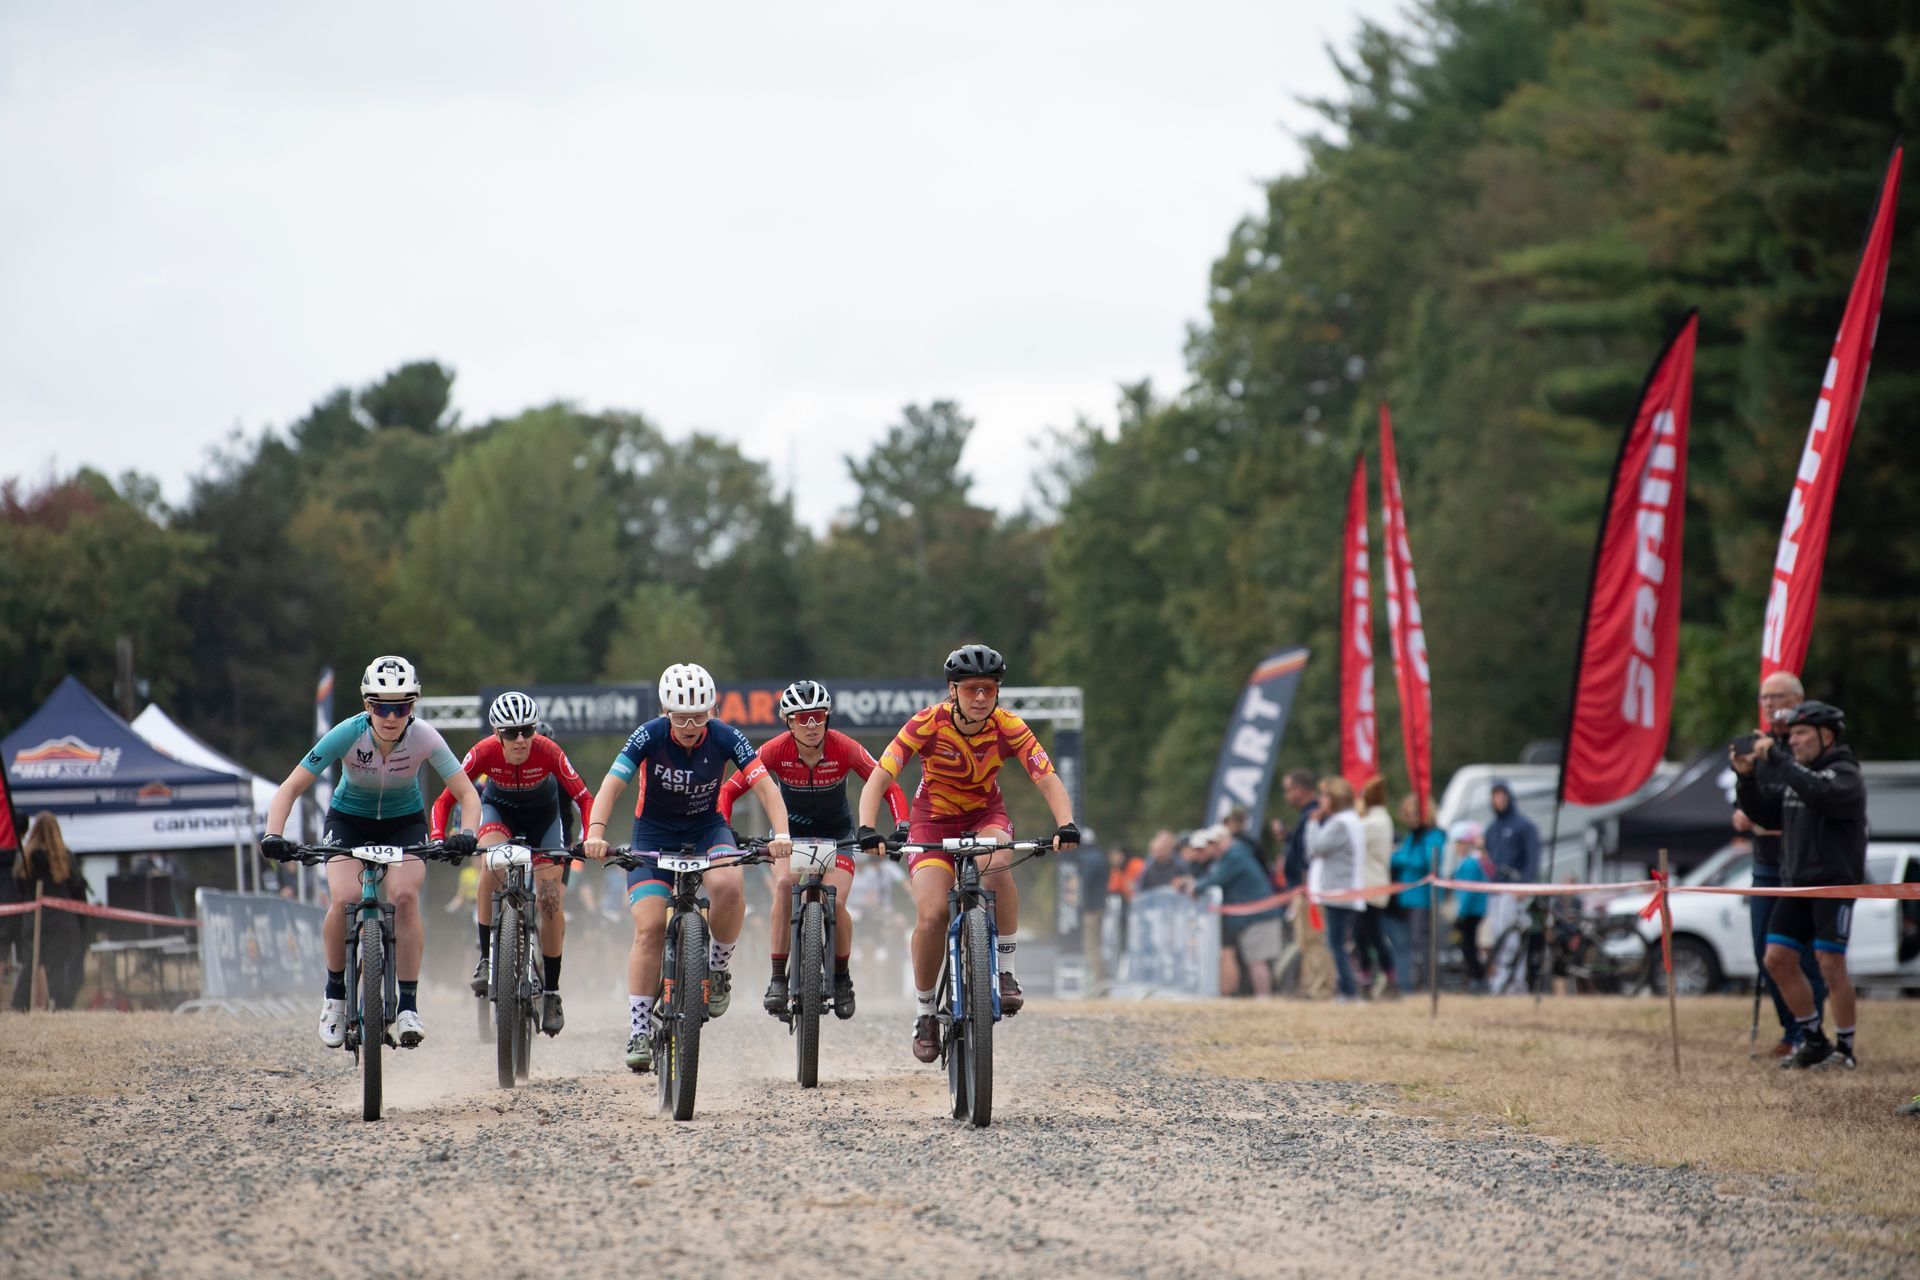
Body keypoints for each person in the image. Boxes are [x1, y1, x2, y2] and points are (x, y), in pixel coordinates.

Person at [855, 643, 1079, 1064]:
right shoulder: (926, 723)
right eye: (972, 689)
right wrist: (867, 828)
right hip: (931, 822)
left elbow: (1046, 776)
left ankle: (1006, 971)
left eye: (990, 690)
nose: (981, 698)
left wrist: (1065, 823)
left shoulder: (1009, 725)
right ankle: (925, 1013)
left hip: (985, 815)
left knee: (997, 865)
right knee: (933, 914)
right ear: (952, 690)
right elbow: (880, 776)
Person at [580, 662, 794, 1073]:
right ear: (666, 713)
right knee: (649, 928)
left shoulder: (727, 736)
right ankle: (640, 1029)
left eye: (701, 715)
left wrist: (781, 834)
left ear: (713, 710)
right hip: (652, 834)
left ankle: (716, 969)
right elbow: (612, 783)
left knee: (730, 886)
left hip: (707, 828)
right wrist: (596, 831)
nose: (692, 725)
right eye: (682, 717)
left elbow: (765, 787)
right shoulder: (649, 735)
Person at [262, 655, 482, 1049]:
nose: (391, 715)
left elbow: (467, 793)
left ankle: (409, 1006)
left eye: (401, 706)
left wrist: (466, 832)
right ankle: (334, 996)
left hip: (404, 823)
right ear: (367, 706)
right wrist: (273, 834)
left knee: (404, 896)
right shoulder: (347, 733)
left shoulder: (425, 736)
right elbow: (291, 787)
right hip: (348, 821)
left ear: (412, 707)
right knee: (344, 897)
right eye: (382, 705)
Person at [714, 679, 907, 1020]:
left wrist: (901, 825)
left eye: (818, 716)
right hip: (791, 833)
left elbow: (886, 785)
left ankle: (842, 978)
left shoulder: (844, 747)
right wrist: (724, 830)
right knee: (785, 888)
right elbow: (728, 791)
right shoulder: (774, 750)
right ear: (788, 721)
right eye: (802, 718)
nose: (812, 725)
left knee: (839, 898)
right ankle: (777, 978)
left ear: (827, 717)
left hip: (838, 833)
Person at [429, 690, 595, 1035]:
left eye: (527, 730)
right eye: (510, 732)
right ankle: (487, 959)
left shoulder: (549, 751)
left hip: (543, 820)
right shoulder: (483, 751)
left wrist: (591, 837)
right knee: (491, 863)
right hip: (498, 813)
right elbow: (447, 798)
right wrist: (437, 837)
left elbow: (583, 797)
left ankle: (551, 992)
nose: (520, 739)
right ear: (496, 732)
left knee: (551, 899)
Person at [1733, 699, 1867, 1070]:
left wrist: (1775, 756)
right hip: (1797, 883)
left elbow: (1818, 791)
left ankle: (1845, 1048)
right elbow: (1763, 811)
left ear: (1827, 735)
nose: (1793, 741)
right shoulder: (1798, 776)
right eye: (1790, 735)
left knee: (1829, 963)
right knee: (1777, 959)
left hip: (1833, 885)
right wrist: (1745, 777)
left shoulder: (1844, 773)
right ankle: (1813, 1039)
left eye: (1801, 733)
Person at [1743, 671, 1828, 1059]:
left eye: (1779, 697)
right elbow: (1752, 808)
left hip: (1803, 869)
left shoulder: (1806, 746)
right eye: (1766, 698)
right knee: (1767, 951)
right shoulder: (1756, 750)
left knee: (1803, 955)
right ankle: (1791, 1030)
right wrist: (1743, 805)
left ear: (1798, 699)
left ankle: (1812, 1033)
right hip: (1764, 864)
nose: (1772, 704)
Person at [1183, 822, 1282, 997]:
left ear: (1225, 840)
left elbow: (1219, 878)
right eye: (1211, 844)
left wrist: (1196, 888)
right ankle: (1262, 996)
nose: (1213, 848)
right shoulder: (1232, 856)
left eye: (1215, 843)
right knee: (1255, 960)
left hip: (1257, 916)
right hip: (1253, 916)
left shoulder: (1235, 856)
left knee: (1257, 960)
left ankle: (1264, 996)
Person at [4, 814, 89, 1010]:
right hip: (63, 920)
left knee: (33, 964)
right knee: (58, 966)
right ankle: (60, 1007)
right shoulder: (65, 857)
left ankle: (19, 1006)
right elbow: (77, 888)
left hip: (36, 920)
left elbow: (21, 887)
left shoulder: (26, 858)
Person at [1306, 777, 1366, 1002]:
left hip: (1338, 892)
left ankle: (1348, 990)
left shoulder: (1340, 823)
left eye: (1324, 796)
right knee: (1340, 942)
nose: (1320, 801)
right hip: (1345, 889)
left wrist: (1312, 824)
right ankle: (1348, 988)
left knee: (1336, 943)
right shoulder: (1351, 820)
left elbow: (1316, 848)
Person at [1483, 780, 1540, 993]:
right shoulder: (1492, 828)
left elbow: (1532, 859)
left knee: (1512, 937)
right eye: (1495, 795)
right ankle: (1500, 978)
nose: (1499, 799)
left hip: (1514, 890)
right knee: (1497, 935)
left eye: (1502, 794)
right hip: (1495, 890)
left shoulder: (1523, 826)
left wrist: (1525, 885)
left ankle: (1515, 981)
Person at [1388, 794, 1443, 992]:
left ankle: (1429, 982)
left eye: (1413, 815)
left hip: (1423, 898)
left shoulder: (1434, 836)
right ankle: (1418, 981)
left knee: (1422, 943)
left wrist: (1401, 857)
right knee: (1414, 942)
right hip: (1409, 896)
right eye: (1407, 816)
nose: (1410, 820)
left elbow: (1427, 862)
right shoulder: (1413, 836)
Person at [1353, 776, 1398, 996]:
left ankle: (1378, 976)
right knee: (1366, 935)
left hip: (1368, 886)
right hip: (1375, 883)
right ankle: (1377, 976)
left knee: (1369, 935)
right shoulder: (1383, 820)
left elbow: (1352, 841)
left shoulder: (1370, 824)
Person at [1448, 822, 1491, 991]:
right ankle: (1477, 978)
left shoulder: (1470, 863)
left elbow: (1467, 891)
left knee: (1468, 947)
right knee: (1469, 946)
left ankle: (1478, 978)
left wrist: (1461, 914)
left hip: (1471, 912)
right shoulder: (1472, 861)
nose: (1457, 847)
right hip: (1474, 910)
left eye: (1460, 843)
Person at [1134, 829, 1186, 893]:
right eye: (1156, 851)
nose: (1158, 854)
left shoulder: (1180, 865)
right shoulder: (1148, 868)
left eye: (1161, 850)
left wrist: (1183, 881)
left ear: (1169, 849)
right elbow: (1140, 890)